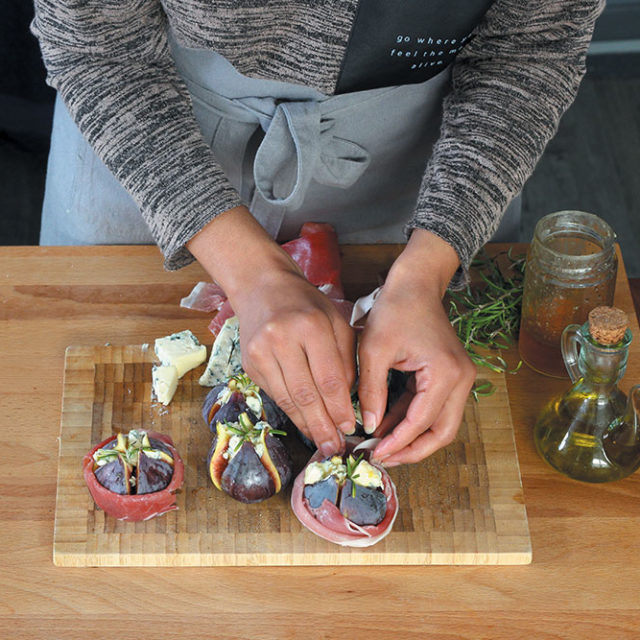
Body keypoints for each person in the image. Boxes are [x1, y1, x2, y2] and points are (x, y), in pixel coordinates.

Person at [32, 0, 604, 465]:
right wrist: (251, 274)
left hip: (421, 161)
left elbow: (531, 46)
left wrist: (426, 271)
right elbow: (97, 43)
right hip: (154, 132)